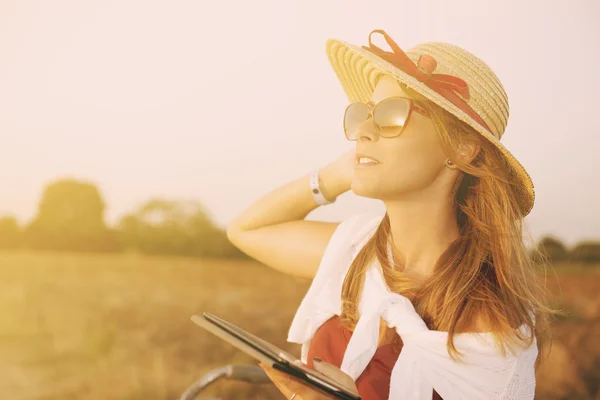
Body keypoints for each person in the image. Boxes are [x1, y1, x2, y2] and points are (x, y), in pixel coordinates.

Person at [226, 29, 559, 400]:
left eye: (390, 115)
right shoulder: (356, 250)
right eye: (362, 115)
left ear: (462, 147)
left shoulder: (490, 325)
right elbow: (247, 230)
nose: (362, 131)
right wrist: (335, 176)